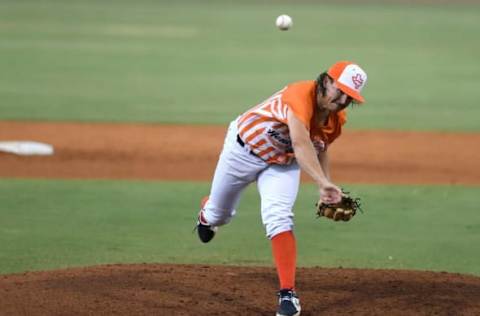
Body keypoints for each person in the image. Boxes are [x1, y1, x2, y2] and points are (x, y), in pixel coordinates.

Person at [195, 61, 367, 316]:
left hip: (282, 165)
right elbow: (300, 142)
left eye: (349, 96)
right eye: (339, 90)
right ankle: (209, 212)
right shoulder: (299, 94)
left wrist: (326, 185)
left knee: (279, 217)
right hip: (242, 152)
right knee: (219, 215)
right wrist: (321, 181)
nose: (342, 99)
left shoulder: (335, 120)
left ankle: (288, 295)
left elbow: (319, 147)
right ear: (325, 81)